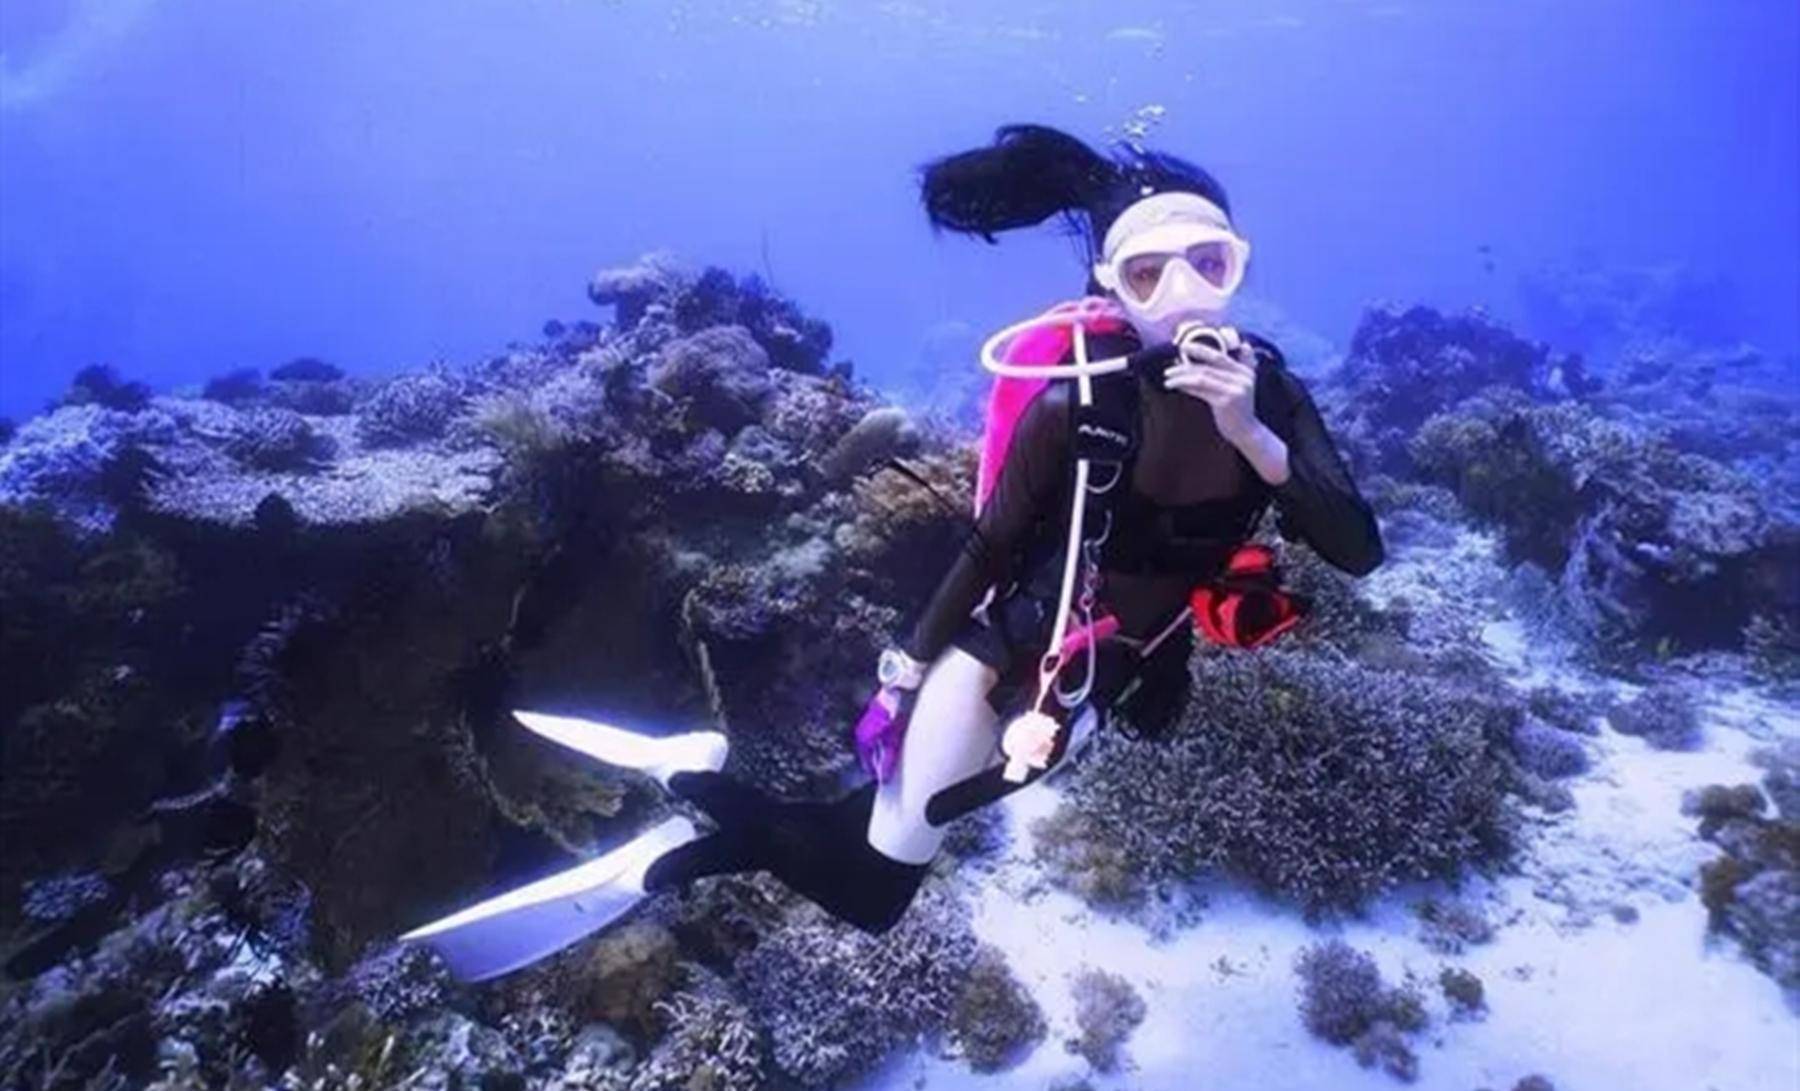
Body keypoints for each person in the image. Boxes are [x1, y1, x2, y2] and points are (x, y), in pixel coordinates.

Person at [400, 124, 1384, 982]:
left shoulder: (1278, 399)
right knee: (880, 882)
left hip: (1100, 671)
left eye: (1210, 264)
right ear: (1110, 290)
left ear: (1239, 266)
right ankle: (681, 824)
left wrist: (1256, 435)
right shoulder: (1079, 404)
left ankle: (696, 794)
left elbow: (1357, 549)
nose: (1184, 294)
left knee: (881, 851)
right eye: (1147, 273)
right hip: (1005, 656)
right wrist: (904, 674)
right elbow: (991, 545)